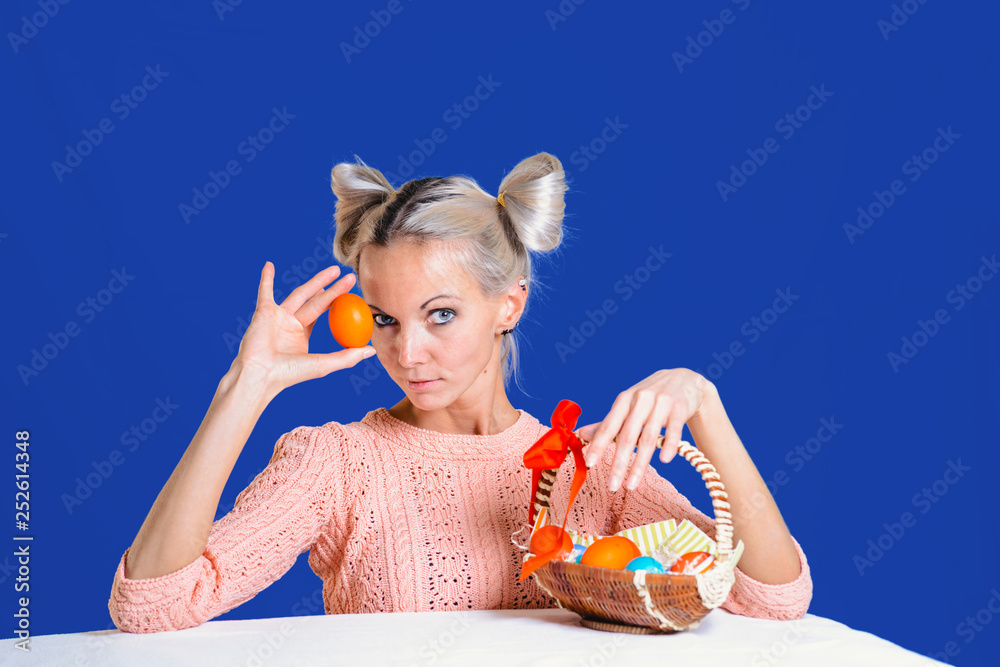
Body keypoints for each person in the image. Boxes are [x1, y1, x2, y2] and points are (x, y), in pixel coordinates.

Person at [108, 152, 812, 634]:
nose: (406, 351)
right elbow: (152, 604)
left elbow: (771, 595)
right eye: (385, 318)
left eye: (439, 313)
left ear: (509, 304)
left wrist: (705, 404)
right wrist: (244, 389)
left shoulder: (584, 463)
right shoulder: (337, 463)